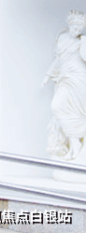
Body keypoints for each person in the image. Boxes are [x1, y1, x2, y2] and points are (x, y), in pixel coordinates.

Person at [43, 10, 86, 161]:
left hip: (79, 80)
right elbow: (59, 60)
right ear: (69, 25)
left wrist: (84, 43)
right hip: (65, 79)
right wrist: (48, 75)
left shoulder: (83, 41)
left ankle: (76, 147)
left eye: (80, 29)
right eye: (75, 28)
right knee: (56, 106)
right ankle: (75, 144)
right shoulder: (62, 38)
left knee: (78, 112)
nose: (77, 31)